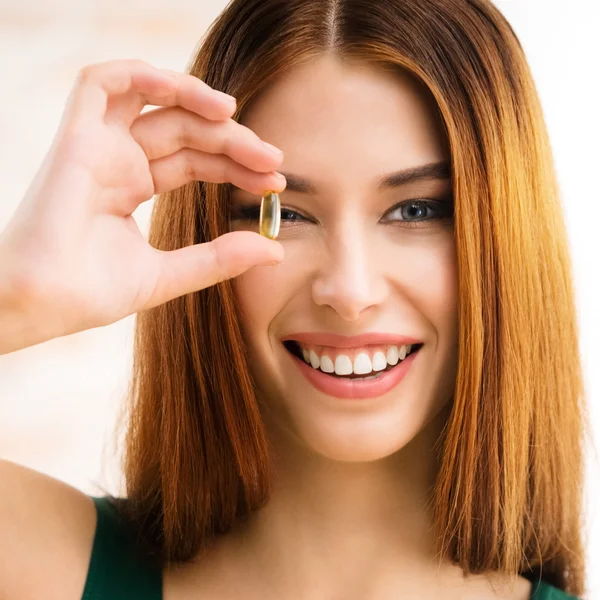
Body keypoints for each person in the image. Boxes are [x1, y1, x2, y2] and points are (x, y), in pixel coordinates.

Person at [0, 0, 588, 598]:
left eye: (417, 209)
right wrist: (13, 300)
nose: (350, 292)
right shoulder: (37, 567)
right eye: (283, 214)